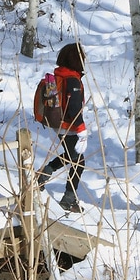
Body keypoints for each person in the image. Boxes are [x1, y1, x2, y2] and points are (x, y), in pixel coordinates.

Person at [37, 42, 87, 212]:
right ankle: (68, 199)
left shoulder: (60, 74)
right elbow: (74, 107)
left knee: (71, 156)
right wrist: (81, 130)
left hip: (58, 123)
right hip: (68, 125)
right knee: (79, 162)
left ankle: (43, 174)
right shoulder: (72, 79)